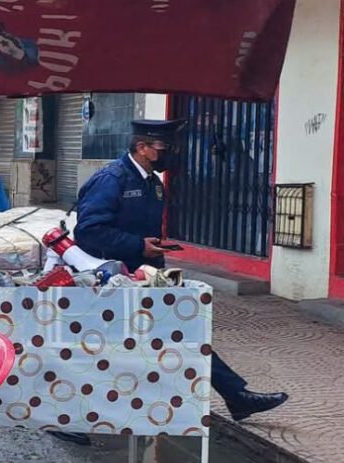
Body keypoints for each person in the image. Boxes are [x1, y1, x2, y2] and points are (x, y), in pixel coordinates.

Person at [74, 119, 289, 421]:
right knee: (108, 349)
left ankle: (235, 396)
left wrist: (154, 254)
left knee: (181, 332)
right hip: (112, 280)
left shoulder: (152, 182)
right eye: (164, 148)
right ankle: (76, 414)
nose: (171, 154)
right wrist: (138, 245)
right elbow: (88, 231)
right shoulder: (113, 179)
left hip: (144, 277)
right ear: (142, 148)